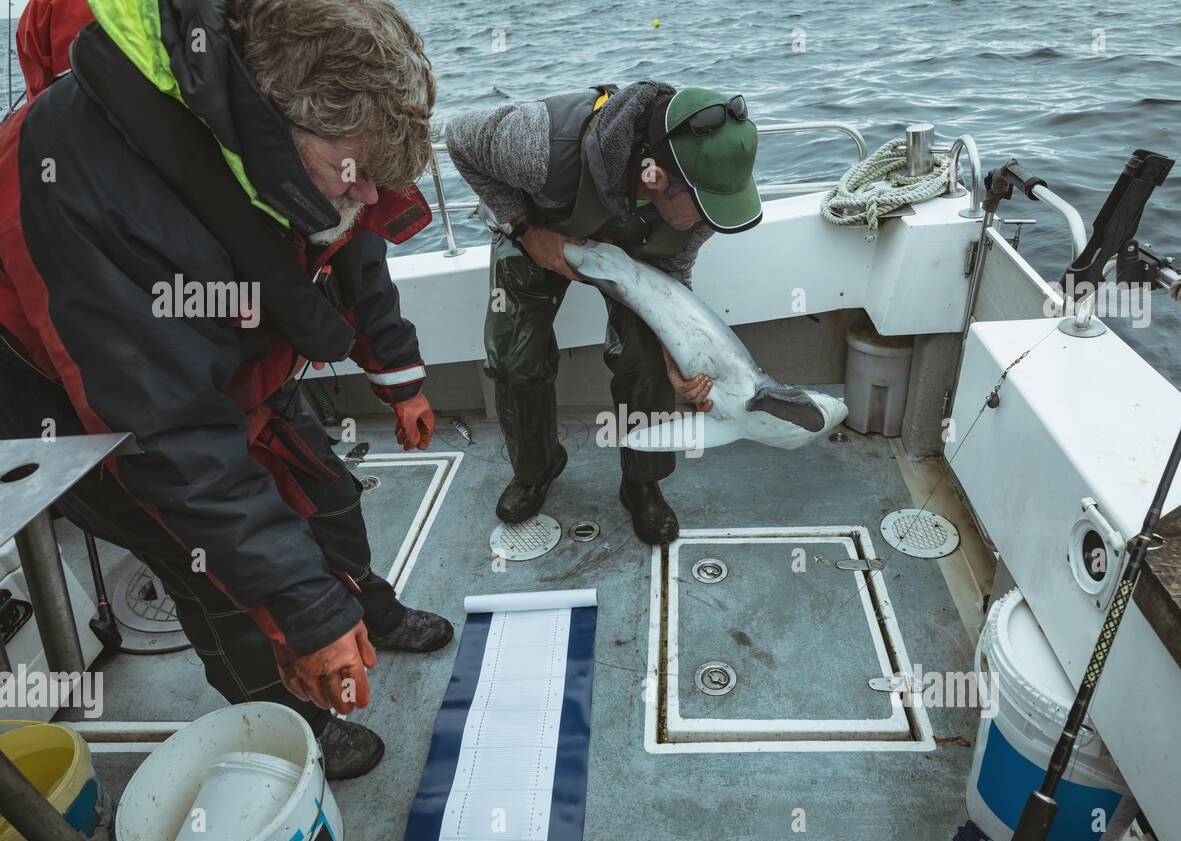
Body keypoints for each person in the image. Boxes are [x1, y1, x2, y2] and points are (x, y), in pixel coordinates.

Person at [0, 0, 451, 779]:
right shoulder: (84, 180)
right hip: (98, 416)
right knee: (221, 587)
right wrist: (303, 616)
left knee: (331, 500)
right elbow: (171, 437)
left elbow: (351, 237)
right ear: (268, 126)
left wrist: (397, 371)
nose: (365, 196)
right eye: (351, 176)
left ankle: (363, 606)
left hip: (235, 366)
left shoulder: (310, 151)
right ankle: (292, 722)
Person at [444, 83, 762, 544]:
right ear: (655, 177)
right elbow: (459, 138)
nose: (711, 219)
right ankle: (538, 467)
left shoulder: (705, 203)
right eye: (703, 205)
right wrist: (526, 230)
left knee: (648, 361)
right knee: (514, 358)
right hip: (542, 226)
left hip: (638, 247)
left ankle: (641, 481)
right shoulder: (540, 146)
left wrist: (675, 351)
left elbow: (673, 273)